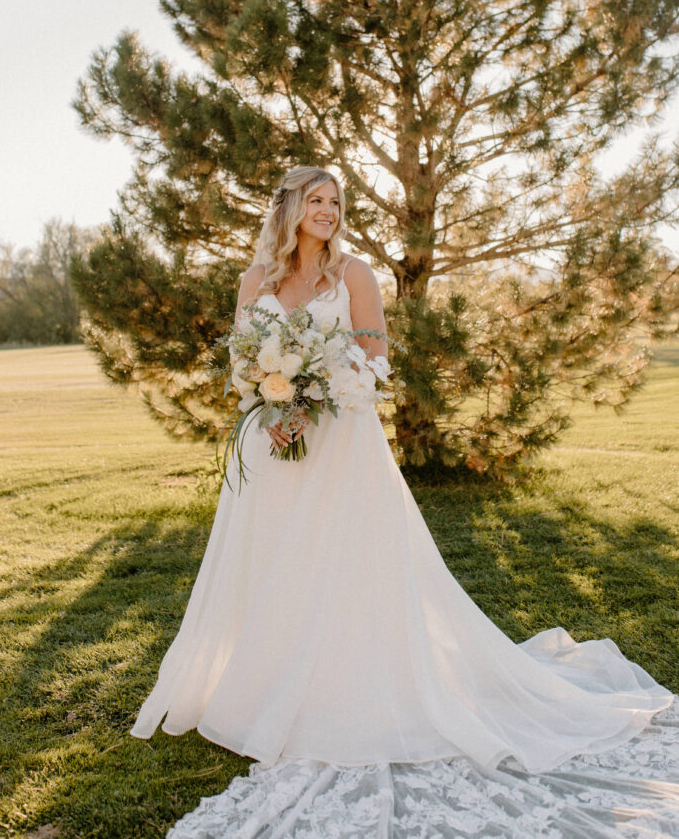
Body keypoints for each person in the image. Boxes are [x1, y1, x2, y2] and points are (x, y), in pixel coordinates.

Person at [131, 166, 678, 837]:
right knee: (275, 562)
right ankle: (269, 685)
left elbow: (372, 353)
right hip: (276, 446)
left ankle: (347, 684)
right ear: (289, 209)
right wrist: (274, 401)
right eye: (317, 201)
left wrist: (317, 389)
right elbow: (243, 364)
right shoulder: (256, 282)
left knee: (346, 563)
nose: (329, 212)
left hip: (341, 443)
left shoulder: (353, 274)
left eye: (336, 202)